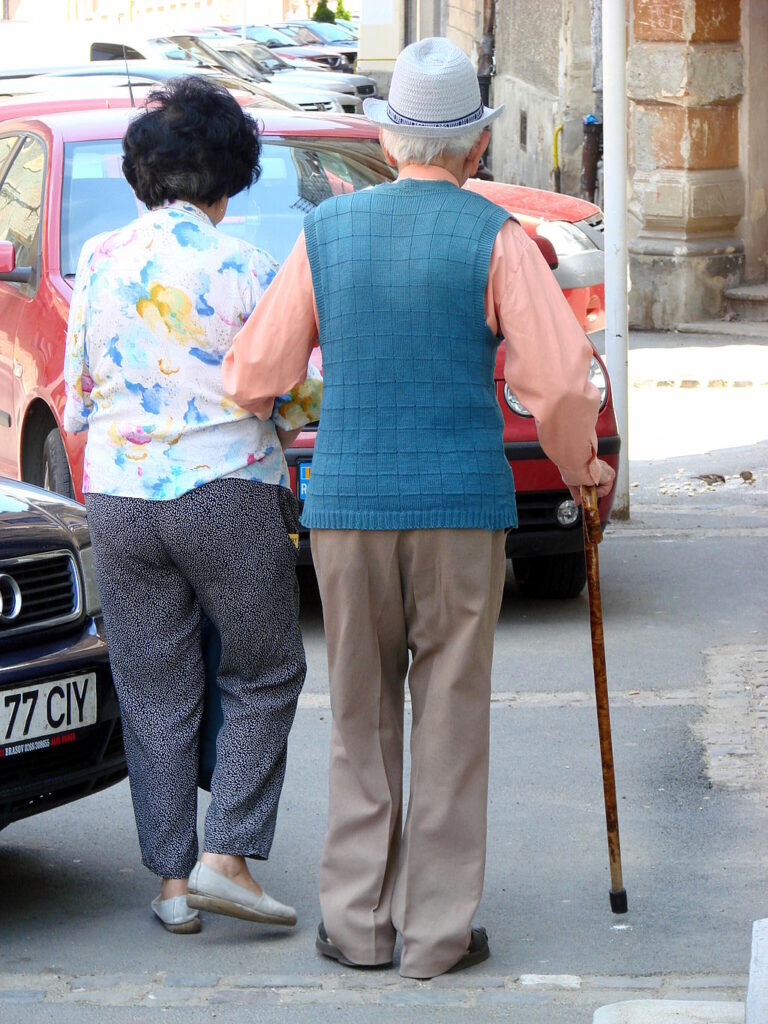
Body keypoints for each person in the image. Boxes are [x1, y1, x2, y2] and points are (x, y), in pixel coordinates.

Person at [222, 38, 615, 977]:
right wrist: (581, 470)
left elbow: (255, 373)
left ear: (391, 143)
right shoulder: (496, 238)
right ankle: (437, 936)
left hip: (349, 508)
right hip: (460, 510)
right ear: (475, 149)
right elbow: (558, 385)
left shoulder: (327, 234)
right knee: (449, 719)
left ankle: (356, 925)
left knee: (359, 721)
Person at [63, 77, 320, 935]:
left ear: (143, 171)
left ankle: (171, 886)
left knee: (153, 688)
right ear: (231, 175)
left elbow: (78, 397)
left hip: (118, 496)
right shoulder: (247, 266)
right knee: (265, 669)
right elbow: (292, 394)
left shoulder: (98, 260)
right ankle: (229, 856)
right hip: (226, 489)